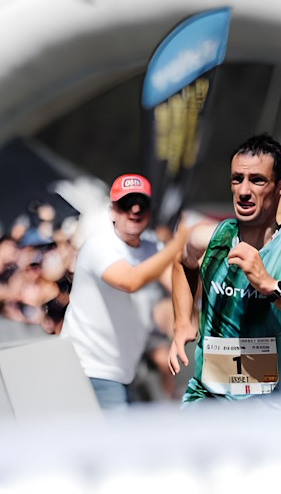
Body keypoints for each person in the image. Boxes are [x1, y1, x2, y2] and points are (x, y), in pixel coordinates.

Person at [169, 134, 281, 404]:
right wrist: (183, 322)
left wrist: (272, 287)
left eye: (257, 180)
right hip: (207, 402)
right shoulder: (207, 238)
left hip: (273, 418)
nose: (243, 191)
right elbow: (182, 262)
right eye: (237, 179)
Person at [60, 174, 189, 410]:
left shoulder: (153, 249)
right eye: (126, 203)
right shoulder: (98, 245)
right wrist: (178, 244)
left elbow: (184, 287)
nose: (135, 209)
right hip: (87, 369)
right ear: (112, 211)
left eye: (142, 202)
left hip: (122, 372)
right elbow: (130, 281)